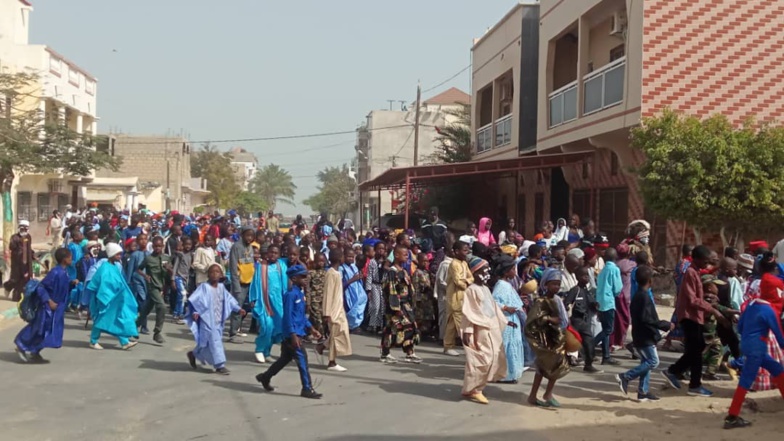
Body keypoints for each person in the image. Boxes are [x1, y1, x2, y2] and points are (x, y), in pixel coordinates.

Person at [723, 252, 784, 429]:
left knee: (777, 368)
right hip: (758, 347)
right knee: (746, 381)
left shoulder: (751, 304)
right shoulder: (769, 311)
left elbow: (741, 327)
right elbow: (780, 339)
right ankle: (732, 416)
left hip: (748, 345)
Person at [662, 245, 729, 397]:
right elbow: (692, 300)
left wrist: (717, 265)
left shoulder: (696, 271)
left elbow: (707, 271)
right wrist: (713, 310)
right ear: (697, 260)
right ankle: (693, 384)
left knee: (696, 349)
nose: (707, 264)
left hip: (694, 316)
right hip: (689, 316)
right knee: (696, 351)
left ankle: (674, 371)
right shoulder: (690, 273)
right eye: (705, 261)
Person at [256, 264, 323, 399]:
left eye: (306, 276)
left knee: (284, 359)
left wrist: (311, 328)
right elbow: (287, 316)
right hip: (292, 335)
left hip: (297, 332)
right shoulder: (290, 295)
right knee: (302, 360)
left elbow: (300, 316)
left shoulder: (300, 294)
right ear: (294, 278)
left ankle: (265, 377)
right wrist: (293, 335)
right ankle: (307, 388)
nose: (306, 279)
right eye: (302, 277)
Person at [616, 266, 672, 402]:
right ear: (650, 280)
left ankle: (643, 391)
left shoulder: (639, 295)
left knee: (646, 362)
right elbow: (648, 319)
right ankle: (626, 376)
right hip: (645, 335)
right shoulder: (644, 297)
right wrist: (666, 325)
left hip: (641, 334)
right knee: (653, 361)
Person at [461, 257, 508, 404]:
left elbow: (493, 308)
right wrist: (468, 333)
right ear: (475, 273)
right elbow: (468, 313)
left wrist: (506, 321)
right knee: (481, 360)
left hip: (492, 328)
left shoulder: (486, 289)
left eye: (488, 269)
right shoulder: (471, 290)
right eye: (484, 270)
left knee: (493, 357)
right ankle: (475, 390)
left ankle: (474, 388)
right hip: (479, 330)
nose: (487, 272)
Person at [14, 248, 71, 363]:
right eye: (70, 257)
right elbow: (41, 287)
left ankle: (35, 351)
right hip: (47, 307)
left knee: (49, 332)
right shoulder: (55, 272)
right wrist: (48, 301)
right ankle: (21, 345)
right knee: (38, 328)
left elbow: (62, 289)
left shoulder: (64, 272)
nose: (71, 259)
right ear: (65, 259)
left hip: (58, 308)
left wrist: (72, 284)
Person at [186, 264, 245, 375]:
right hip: (207, 319)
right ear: (208, 274)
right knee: (215, 342)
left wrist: (238, 308)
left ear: (221, 274)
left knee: (207, 342)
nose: (214, 274)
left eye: (217, 272)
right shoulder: (204, 287)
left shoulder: (222, 288)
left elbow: (229, 300)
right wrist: (195, 312)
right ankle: (220, 366)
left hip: (218, 320)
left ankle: (194, 354)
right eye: (212, 272)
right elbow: (195, 300)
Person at [525, 268, 570, 408]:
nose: (556, 287)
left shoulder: (557, 299)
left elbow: (564, 318)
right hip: (544, 339)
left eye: (558, 284)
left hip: (556, 338)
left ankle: (545, 393)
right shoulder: (540, 301)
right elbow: (532, 320)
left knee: (555, 366)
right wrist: (549, 319)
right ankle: (539, 395)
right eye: (553, 284)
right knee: (543, 367)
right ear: (545, 284)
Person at [85, 243, 139, 350]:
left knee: (113, 319)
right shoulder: (105, 267)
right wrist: (106, 297)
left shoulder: (114, 266)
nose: (120, 257)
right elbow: (104, 284)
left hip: (114, 298)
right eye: (118, 254)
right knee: (102, 319)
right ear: (111, 254)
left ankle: (124, 342)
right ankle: (93, 341)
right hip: (105, 299)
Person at [380, 244, 422, 364]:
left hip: (405, 304)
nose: (407, 257)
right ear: (396, 255)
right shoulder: (392, 272)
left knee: (411, 327)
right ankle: (385, 353)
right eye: (404, 254)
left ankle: (409, 352)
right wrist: (395, 307)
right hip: (395, 305)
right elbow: (391, 290)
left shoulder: (403, 271)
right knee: (391, 329)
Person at [249, 244, 287, 363]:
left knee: (276, 328)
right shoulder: (261, 266)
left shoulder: (281, 265)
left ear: (279, 254)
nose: (273, 255)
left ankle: (267, 352)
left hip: (278, 303)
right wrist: (253, 299)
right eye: (271, 252)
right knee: (266, 326)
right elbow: (255, 283)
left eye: (276, 253)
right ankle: (259, 349)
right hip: (263, 302)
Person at [318, 249, 352, 372]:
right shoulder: (331, 273)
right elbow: (328, 294)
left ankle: (323, 346)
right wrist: (326, 313)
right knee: (335, 333)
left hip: (339, 308)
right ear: (339, 258)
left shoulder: (337, 273)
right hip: (333, 310)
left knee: (341, 331)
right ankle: (332, 362)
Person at [492, 255, 525, 383]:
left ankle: (511, 373)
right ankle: (504, 374)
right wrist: (505, 307)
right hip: (506, 319)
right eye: (512, 269)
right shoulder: (501, 285)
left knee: (513, 346)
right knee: (506, 347)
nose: (515, 272)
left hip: (512, 319)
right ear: (506, 271)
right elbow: (493, 302)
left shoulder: (507, 284)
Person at [564, 267, 601, 373]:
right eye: (584, 276)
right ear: (578, 277)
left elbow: (591, 303)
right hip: (575, 320)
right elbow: (567, 303)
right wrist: (568, 308)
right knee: (569, 343)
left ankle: (588, 364)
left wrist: (595, 305)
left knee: (589, 342)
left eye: (587, 276)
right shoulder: (575, 290)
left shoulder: (586, 291)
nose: (587, 278)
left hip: (584, 321)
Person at [136, 236, 172, 344]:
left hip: (162, 286)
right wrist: (145, 275)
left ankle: (133, 327)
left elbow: (170, 272)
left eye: (159, 246)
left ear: (163, 246)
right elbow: (138, 269)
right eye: (155, 246)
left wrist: (169, 269)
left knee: (146, 309)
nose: (157, 248)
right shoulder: (149, 258)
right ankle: (157, 333)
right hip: (152, 286)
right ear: (152, 246)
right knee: (161, 306)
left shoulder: (167, 258)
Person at [444, 241, 473, 356]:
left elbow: (471, 277)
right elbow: (458, 282)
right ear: (456, 251)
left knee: (451, 323)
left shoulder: (464, 263)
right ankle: (467, 345)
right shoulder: (454, 264)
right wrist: (467, 282)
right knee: (460, 322)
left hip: (463, 296)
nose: (467, 253)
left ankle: (448, 345)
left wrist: (467, 281)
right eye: (464, 250)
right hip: (455, 297)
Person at [595, 247, 622, 365]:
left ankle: (606, 356)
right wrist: (616, 293)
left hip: (600, 301)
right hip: (609, 302)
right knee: (608, 329)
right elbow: (618, 287)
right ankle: (590, 345)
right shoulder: (614, 269)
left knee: (605, 328)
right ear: (616, 258)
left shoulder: (602, 270)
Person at [228, 226, 256, 342]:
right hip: (239, 283)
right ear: (242, 234)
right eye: (247, 235)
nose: (249, 238)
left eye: (251, 236)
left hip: (249, 282)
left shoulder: (250, 247)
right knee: (237, 308)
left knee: (247, 308)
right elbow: (233, 268)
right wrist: (236, 286)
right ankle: (232, 334)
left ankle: (238, 328)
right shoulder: (236, 247)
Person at [6, 220, 35, 302]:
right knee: (16, 279)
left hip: (27, 262)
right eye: (22, 229)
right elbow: (12, 247)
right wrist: (19, 246)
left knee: (25, 279)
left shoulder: (28, 237)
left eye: (26, 229)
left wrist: (31, 254)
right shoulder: (14, 237)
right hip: (17, 263)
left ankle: (23, 296)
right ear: (19, 228)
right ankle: (10, 290)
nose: (24, 231)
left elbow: (29, 248)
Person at [340, 248, 367, 331]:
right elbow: (340, 284)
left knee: (358, 309)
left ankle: (354, 325)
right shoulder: (341, 269)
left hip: (357, 293)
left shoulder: (354, 267)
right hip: (347, 294)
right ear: (344, 256)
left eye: (352, 257)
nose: (351, 259)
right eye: (349, 256)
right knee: (350, 311)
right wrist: (352, 279)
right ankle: (350, 326)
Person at [364, 242, 387, 334]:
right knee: (375, 306)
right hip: (375, 285)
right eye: (379, 249)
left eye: (383, 249)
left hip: (383, 285)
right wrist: (368, 289)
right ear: (375, 250)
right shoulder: (372, 262)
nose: (381, 251)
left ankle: (380, 326)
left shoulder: (386, 262)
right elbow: (369, 275)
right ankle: (373, 325)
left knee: (382, 306)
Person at [170, 236, 194, 324]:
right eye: (186, 244)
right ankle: (179, 314)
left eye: (190, 245)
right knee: (182, 294)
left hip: (186, 278)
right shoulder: (180, 255)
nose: (188, 246)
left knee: (182, 297)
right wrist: (172, 279)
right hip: (178, 277)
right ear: (183, 245)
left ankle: (177, 313)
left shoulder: (191, 255)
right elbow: (175, 267)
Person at [435, 247, 454, 342]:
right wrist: (450, 288)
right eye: (452, 250)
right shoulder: (445, 264)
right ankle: (442, 337)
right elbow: (440, 280)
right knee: (443, 318)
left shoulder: (455, 264)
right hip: (444, 295)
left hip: (453, 296)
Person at [307, 253, 327, 338]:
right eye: (319, 261)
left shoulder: (327, 273)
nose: (321, 263)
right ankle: (321, 337)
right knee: (318, 320)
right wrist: (308, 302)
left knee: (316, 319)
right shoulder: (311, 273)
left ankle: (307, 333)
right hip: (314, 300)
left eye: (322, 261)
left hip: (324, 300)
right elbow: (307, 288)